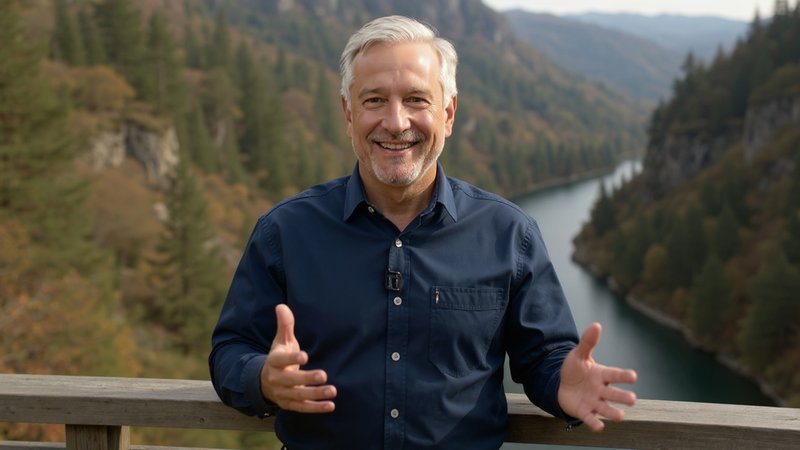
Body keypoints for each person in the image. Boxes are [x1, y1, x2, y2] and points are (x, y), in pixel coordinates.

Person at [209, 15, 637, 450]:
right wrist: (262, 378)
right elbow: (231, 350)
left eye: (416, 99)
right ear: (348, 113)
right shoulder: (286, 231)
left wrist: (565, 382)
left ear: (448, 113)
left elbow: (544, 358)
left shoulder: (510, 234)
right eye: (374, 100)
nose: (395, 123)